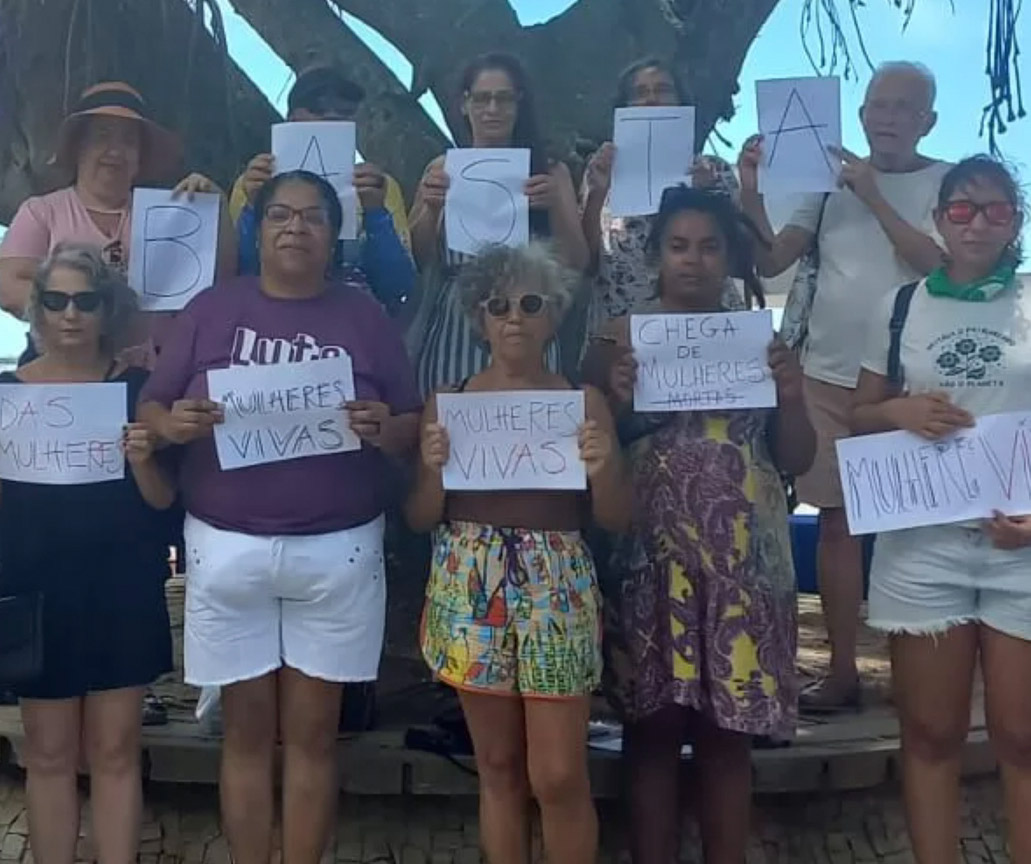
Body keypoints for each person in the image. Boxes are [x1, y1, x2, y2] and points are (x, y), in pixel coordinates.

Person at [139, 171, 421, 864]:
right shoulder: (211, 308)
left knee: (314, 737)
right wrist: (175, 424)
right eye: (280, 216)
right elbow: (152, 408)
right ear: (256, 229)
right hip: (226, 545)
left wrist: (384, 427)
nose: (296, 228)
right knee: (243, 733)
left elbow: (411, 420)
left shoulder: (364, 317)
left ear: (334, 234)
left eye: (314, 217)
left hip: (338, 550)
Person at [585, 188, 814, 864]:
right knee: (650, 732)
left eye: (709, 246)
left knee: (727, 737)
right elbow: (593, 446)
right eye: (679, 246)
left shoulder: (760, 341)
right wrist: (618, 400)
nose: (693, 260)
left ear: (728, 258)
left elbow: (795, 456)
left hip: (744, 566)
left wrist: (792, 396)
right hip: (648, 560)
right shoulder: (615, 341)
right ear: (656, 256)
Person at [404, 243, 630, 864]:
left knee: (557, 774)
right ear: (478, 318)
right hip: (468, 580)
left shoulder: (583, 404)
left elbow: (613, 517)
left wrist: (604, 468)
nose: (513, 318)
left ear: (553, 316)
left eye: (530, 304)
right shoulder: (448, 402)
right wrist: (431, 468)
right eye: (497, 305)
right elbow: (421, 517)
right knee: (499, 767)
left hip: (557, 584)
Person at [738, 61, 948, 712]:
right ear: (857, 115)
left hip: (911, 382)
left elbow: (939, 267)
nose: (885, 118)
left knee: (916, 529)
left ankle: (923, 670)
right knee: (836, 525)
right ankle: (841, 671)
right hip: (827, 373)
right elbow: (771, 258)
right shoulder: (822, 185)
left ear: (927, 122)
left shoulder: (946, 183)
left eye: (902, 108)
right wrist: (748, 189)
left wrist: (874, 196)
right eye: (875, 105)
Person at [0, 244, 175, 864]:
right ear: (37, 311)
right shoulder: (7, 391)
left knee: (115, 751)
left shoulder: (139, 390)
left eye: (85, 301)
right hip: (36, 590)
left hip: (121, 589)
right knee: (49, 754)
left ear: (106, 309)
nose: (71, 314)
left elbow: (164, 502)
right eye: (56, 301)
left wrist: (141, 458)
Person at [849, 155, 1031, 864]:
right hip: (919, 545)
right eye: (960, 208)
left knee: (1021, 738)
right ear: (938, 218)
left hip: (1019, 550)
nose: (976, 222)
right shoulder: (899, 307)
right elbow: (859, 415)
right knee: (928, 734)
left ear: (1015, 221)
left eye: (994, 209)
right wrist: (897, 408)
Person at [0, 81, 236, 368]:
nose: (115, 150)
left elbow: (218, 282)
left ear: (140, 157)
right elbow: (9, 289)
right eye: (102, 136)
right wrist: (90, 316)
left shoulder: (170, 216)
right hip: (62, 372)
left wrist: (215, 211)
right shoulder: (42, 212)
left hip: (153, 377)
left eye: (128, 141)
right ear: (79, 148)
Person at [407, 52, 589, 394]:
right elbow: (418, 258)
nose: (492, 109)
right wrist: (431, 210)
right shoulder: (441, 168)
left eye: (504, 98)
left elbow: (578, 262)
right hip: (454, 324)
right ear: (464, 104)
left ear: (519, 104)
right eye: (482, 98)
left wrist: (555, 207)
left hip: (529, 323)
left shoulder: (550, 171)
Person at [580, 57, 747, 336]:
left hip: (704, 328)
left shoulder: (714, 171)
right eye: (640, 93)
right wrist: (597, 194)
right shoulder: (602, 171)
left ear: (682, 104)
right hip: (623, 331)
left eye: (663, 90)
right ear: (624, 107)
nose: (651, 99)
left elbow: (741, 256)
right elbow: (587, 261)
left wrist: (707, 195)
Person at [231, 66, 416, 316]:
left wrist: (375, 213)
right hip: (270, 329)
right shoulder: (254, 183)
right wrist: (253, 207)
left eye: (344, 112)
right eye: (318, 108)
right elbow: (239, 276)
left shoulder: (377, 186)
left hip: (356, 332)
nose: (332, 117)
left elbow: (397, 287)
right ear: (292, 118)